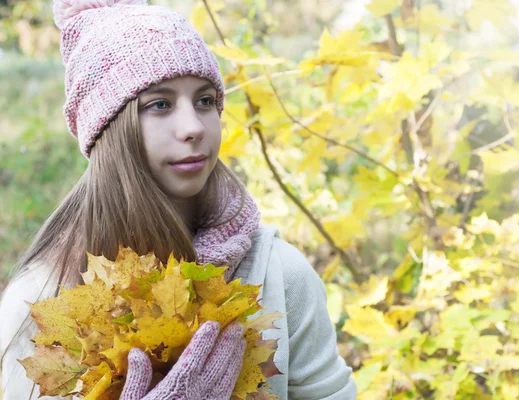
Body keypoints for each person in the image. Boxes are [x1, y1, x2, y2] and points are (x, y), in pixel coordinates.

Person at [0, 1, 357, 399]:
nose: (192, 127)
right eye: (160, 104)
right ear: (109, 129)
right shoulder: (41, 299)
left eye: (204, 101)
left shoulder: (278, 275)